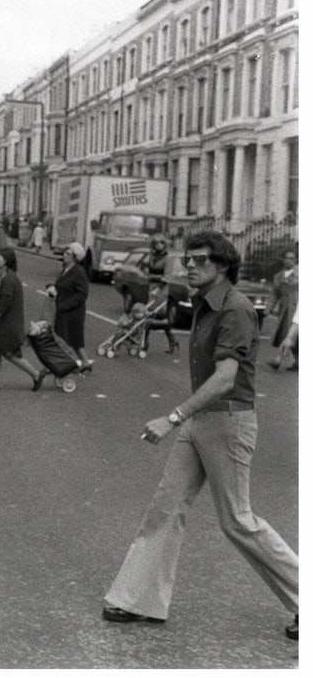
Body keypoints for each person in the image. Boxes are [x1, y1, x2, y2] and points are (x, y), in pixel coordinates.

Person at [102, 230, 298, 642]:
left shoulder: (236, 309)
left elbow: (226, 379)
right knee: (166, 506)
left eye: (200, 260)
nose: (190, 266)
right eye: (187, 259)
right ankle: (138, 599)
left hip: (228, 422)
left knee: (238, 521)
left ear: (223, 265)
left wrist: (173, 417)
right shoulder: (205, 303)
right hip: (201, 420)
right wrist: (186, 419)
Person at [0, 247, 46, 391]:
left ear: (6, 261)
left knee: (10, 354)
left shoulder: (9, 279)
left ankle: (36, 374)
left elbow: (6, 303)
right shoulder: (7, 276)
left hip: (8, 325)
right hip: (5, 324)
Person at [48, 241, 93, 369]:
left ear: (75, 257)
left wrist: (64, 305)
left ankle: (65, 365)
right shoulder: (66, 269)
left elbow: (82, 294)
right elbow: (61, 284)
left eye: (68, 253)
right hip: (64, 310)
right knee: (74, 339)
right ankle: (84, 363)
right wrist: (51, 287)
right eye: (65, 252)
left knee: (65, 339)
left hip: (73, 312)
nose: (64, 255)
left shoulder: (79, 272)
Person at [142, 234, 179, 354]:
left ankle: (146, 344)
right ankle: (145, 343)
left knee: (156, 317)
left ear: (164, 244)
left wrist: (158, 289)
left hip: (161, 291)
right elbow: (146, 267)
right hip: (151, 288)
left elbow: (167, 276)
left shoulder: (167, 258)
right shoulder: (153, 256)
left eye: (161, 242)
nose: (158, 245)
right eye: (155, 242)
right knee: (148, 316)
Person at [266, 249, 298, 370]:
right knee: (289, 335)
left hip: (297, 310)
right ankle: (294, 361)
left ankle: (279, 359)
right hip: (285, 311)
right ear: (283, 260)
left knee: (292, 335)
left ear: (295, 261)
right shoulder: (278, 276)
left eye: (291, 258)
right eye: (286, 258)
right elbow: (274, 294)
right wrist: (269, 308)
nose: (288, 261)